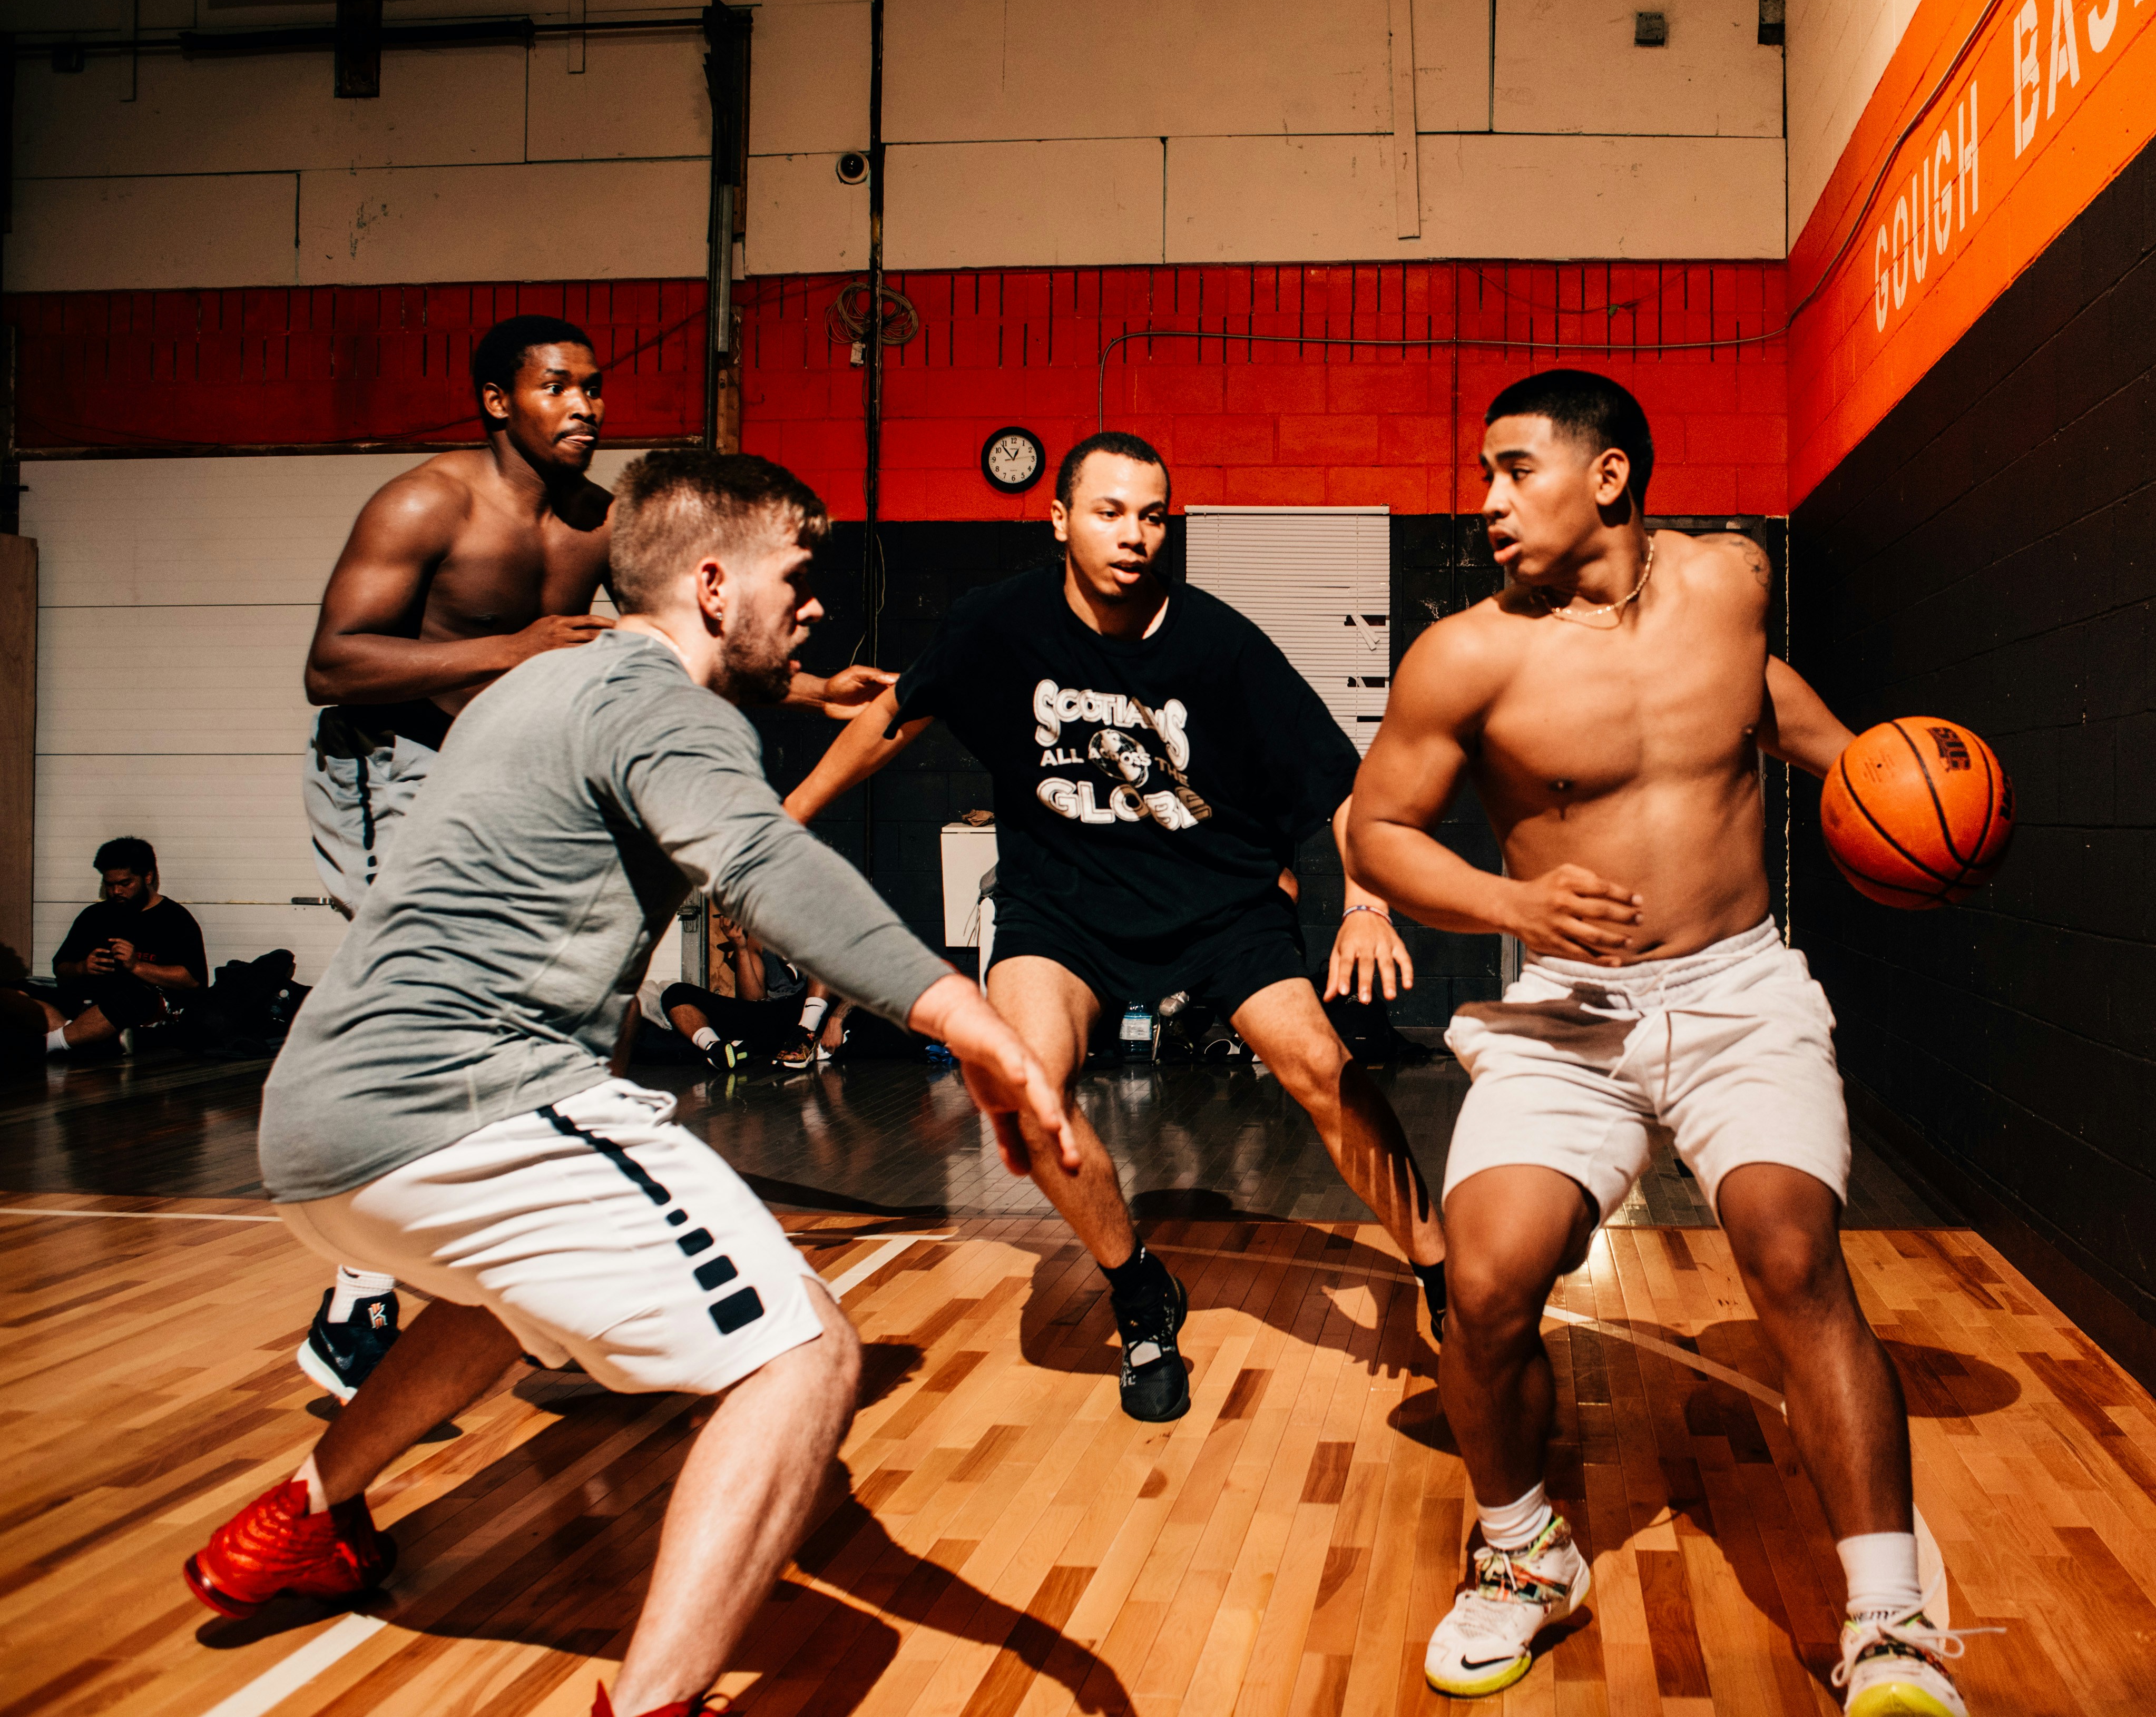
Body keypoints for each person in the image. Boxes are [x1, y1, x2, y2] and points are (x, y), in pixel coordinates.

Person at [184, 450, 1069, 1717]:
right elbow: (761, 861)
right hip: (460, 1103)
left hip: (318, 1130)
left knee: (498, 1293)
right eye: (798, 578)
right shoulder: (671, 707)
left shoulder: (536, 686)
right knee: (804, 1360)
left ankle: (302, 1517)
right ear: (713, 586)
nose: (814, 606)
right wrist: (967, 1015)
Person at [1350, 370, 1977, 1712]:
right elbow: (1375, 833)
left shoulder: (1730, 581)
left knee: (1790, 1250)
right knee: (1482, 1281)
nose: (1487, 502)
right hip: (1565, 1005)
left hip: (1738, 991)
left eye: (1513, 469)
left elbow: (1759, 705)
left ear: (1610, 478)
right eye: (1483, 474)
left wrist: (1884, 784)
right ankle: (1524, 1558)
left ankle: (1888, 1621)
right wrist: (1511, 901)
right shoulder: (1465, 656)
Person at [780, 430, 1448, 1423]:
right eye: (1108, 511)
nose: (1133, 535)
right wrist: (777, 825)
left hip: (1218, 904)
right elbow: (891, 722)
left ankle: (1443, 1278)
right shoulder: (993, 624)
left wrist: (1365, 902)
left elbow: (1339, 789)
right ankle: (1139, 1288)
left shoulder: (1220, 644)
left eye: (1151, 515)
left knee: (1320, 1066)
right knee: (1027, 1085)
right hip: (1062, 909)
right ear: (1058, 520)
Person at [293, 315, 893, 1400]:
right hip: (398, 761)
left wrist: (804, 687)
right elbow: (332, 662)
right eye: (555, 387)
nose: (584, 407)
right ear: (495, 400)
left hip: (527, 762)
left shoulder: (597, 523)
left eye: (594, 387)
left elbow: (664, 643)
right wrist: (510, 650)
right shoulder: (427, 503)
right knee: (435, 1000)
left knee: (582, 1010)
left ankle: (550, 1281)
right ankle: (357, 1294)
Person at [47, 837, 208, 1055]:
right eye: (109, 885)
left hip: (141, 1007)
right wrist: (82, 968)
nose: (116, 892)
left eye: (125, 884)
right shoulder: (94, 916)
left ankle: (49, 1044)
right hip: (90, 1002)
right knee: (20, 991)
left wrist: (136, 966)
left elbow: (193, 981)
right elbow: (60, 968)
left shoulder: (175, 919)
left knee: (134, 999)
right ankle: (84, 1037)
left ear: (148, 876)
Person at [658, 909, 837, 1073]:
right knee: (676, 993)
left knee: (827, 953)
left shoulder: (819, 925)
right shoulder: (759, 936)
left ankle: (805, 1036)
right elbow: (754, 999)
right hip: (775, 1017)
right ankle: (716, 1049)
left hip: (811, 1013)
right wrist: (740, 947)